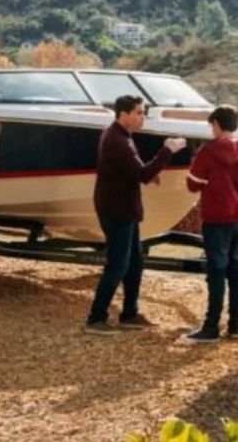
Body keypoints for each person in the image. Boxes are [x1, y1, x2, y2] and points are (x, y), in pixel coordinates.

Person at [85, 95, 187, 335]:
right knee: (118, 263)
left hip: (123, 208)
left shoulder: (120, 136)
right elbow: (140, 173)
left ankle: (129, 314)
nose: (143, 117)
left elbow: (133, 170)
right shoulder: (117, 140)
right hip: (116, 209)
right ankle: (95, 318)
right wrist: (167, 151)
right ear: (124, 114)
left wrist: (150, 173)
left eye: (143, 112)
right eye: (139, 113)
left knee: (135, 262)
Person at [181, 105, 238, 343]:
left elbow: (193, 184)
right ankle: (234, 325)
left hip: (215, 218)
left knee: (216, 271)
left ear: (216, 124)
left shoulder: (208, 151)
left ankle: (211, 327)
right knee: (235, 268)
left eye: (211, 125)